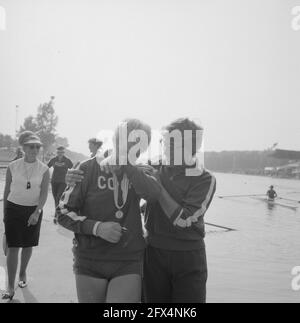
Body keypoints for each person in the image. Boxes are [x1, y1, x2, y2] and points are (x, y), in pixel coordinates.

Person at [66, 117, 216, 303]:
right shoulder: (153, 166)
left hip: (187, 257)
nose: (164, 146)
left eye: (171, 142)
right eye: (164, 141)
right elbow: (117, 158)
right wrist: (75, 174)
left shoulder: (204, 178)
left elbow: (183, 220)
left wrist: (158, 186)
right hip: (153, 253)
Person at [57, 119, 159, 303]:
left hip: (128, 260)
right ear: (116, 140)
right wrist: (97, 228)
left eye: (140, 144)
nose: (133, 147)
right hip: (90, 259)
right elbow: (62, 213)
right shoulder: (86, 168)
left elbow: (153, 195)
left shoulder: (141, 172)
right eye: (128, 140)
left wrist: (127, 166)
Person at [2, 131, 50, 300]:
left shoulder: (44, 169)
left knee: (27, 245)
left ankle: (23, 273)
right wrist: (4, 214)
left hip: (33, 211)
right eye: (31, 146)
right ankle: (9, 285)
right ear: (23, 148)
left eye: (37, 147)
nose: (34, 149)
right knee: (13, 246)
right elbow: (7, 190)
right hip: (13, 209)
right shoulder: (12, 166)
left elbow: (44, 194)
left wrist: (37, 212)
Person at [47, 146, 73, 224]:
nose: (60, 154)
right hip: (54, 181)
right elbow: (46, 167)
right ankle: (58, 213)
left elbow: (73, 168)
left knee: (58, 197)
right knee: (56, 199)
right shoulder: (53, 160)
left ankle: (56, 215)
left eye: (61, 152)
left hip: (63, 182)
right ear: (56, 152)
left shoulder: (67, 160)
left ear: (64, 153)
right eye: (58, 152)